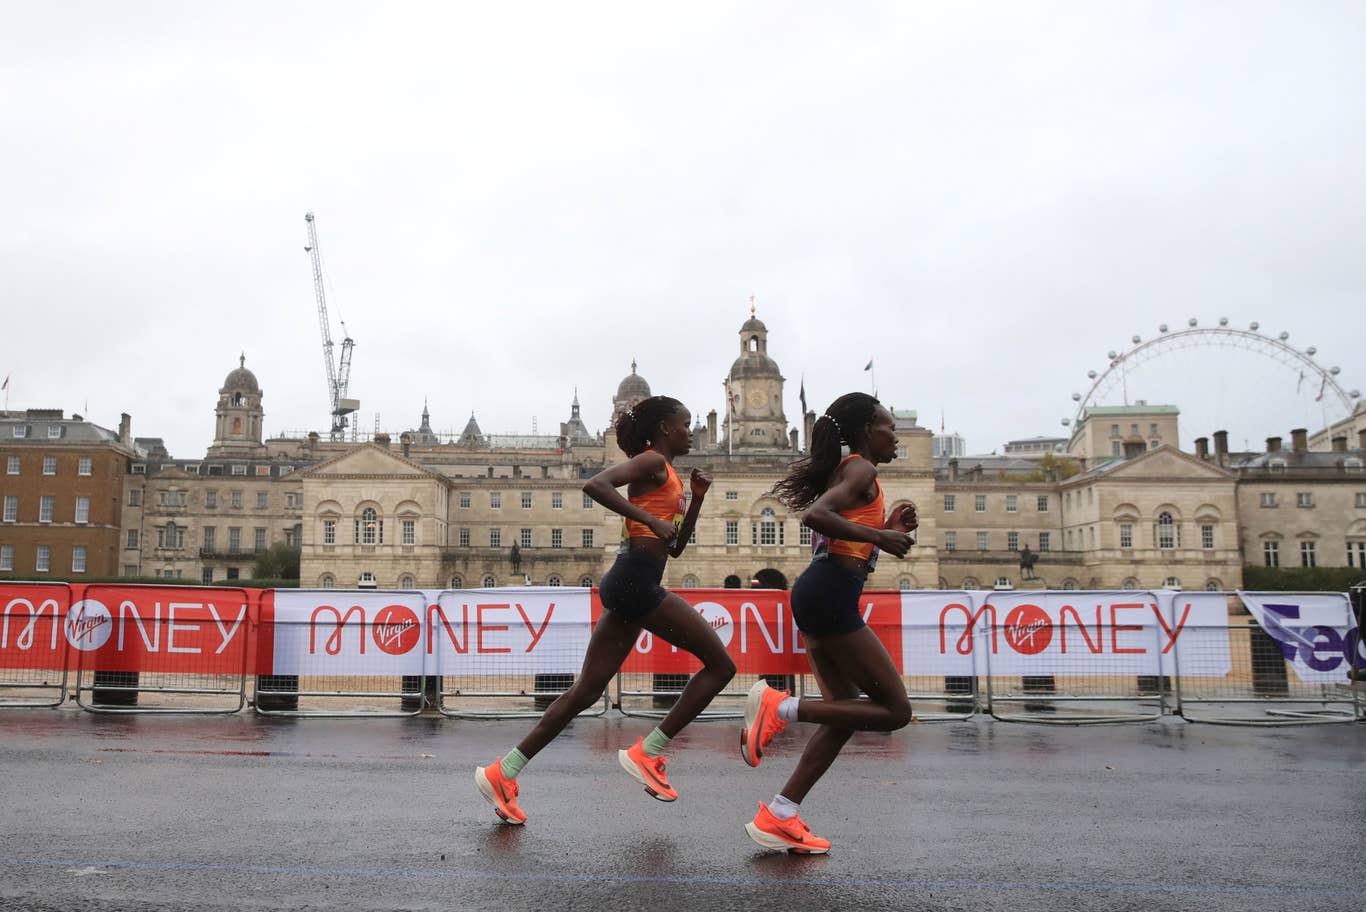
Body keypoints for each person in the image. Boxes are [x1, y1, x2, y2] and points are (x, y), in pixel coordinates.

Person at [475, 395, 736, 824]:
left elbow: (676, 547)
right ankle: (648, 752)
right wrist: (650, 520)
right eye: (686, 424)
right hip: (635, 581)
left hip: (634, 580)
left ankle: (504, 771)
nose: (692, 431)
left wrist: (699, 498)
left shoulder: (667, 473)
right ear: (666, 429)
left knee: (586, 691)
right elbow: (594, 485)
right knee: (721, 667)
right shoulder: (651, 461)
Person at [739, 392, 917, 854]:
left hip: (823, 588)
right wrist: (881, 533)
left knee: (843, 712)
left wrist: (886, 529)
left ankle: (779, 813)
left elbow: (837, 543)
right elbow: (815, 516)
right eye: (888, 426)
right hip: (831, 593)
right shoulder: (861, 469)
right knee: (895, 711)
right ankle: (779, 708)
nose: (894, 435)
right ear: (865, 431)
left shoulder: (850, 473)